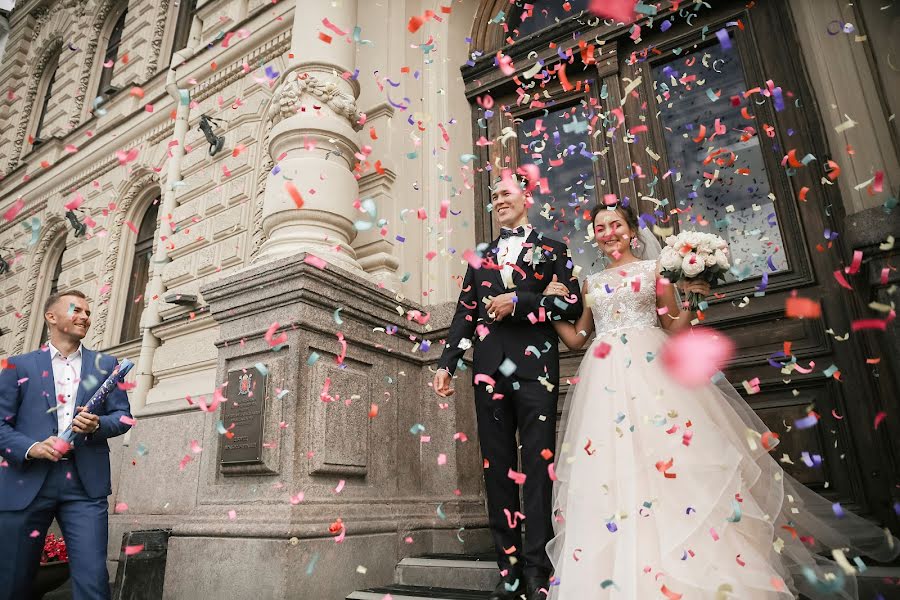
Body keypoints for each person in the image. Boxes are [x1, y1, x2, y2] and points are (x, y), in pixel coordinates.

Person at [542, 202, 899, 599]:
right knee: (612, 472)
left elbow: (674, 329)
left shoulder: (655, 270)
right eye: (600, 227)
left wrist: (695, 299)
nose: (608, 232)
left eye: (616, 224)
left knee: (673, 464)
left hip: (654, 372)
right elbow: (576, 339)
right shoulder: (589, 284)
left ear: (631, 230)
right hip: (604, 380)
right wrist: (547, 308)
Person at [433, 171, 583, 600]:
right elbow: (466, 312)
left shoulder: (553, 249)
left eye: (506, 193)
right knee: (496, 468)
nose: (498, 200)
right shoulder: (479, 256)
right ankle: (510, 569)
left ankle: (538, 568)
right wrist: (448, 363)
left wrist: (521, 301)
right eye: (494, 195)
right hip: (488, 369)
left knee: (538, 467)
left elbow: (570, 301)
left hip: (537, 369)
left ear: (526, 197)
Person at [0, 290, 133, 600]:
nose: (85, 316)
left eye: (88, 312)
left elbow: (123, 418)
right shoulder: (16, 367)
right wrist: (31, 446)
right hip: (26, 481)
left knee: (93, 583)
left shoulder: (106, 365)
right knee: (11, 582)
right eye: (77, 310)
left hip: (84, 485)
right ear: (51, 317)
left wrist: (98, 425)